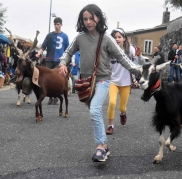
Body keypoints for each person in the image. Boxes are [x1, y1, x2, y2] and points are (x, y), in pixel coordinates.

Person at [58, 4, 140, 162]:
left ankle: (101, 147)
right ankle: (105, 147)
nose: (88, 21)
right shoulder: (79, 37)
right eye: (85, 19)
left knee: (95, 111)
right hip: (86, 82)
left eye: (91, 18)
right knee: (94, 113)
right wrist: (63, 63)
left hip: (103, 79)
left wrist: (137, 71)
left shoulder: (107, 38)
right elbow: (68, 52)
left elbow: (122, 58)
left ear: (99, 17)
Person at [105, 28, 134, 135]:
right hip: (113, 81)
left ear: (124, 39)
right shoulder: (109, 50)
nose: (117, 39)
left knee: (122, 107)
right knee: (112, 102)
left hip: (125, 82)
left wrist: (139, 56)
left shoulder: (130, 50)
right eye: (114, 37)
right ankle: (110, 125)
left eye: (119, 37)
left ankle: (123, 113)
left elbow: (138, 63)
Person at [36, 17, 70, 105]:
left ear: (61, 25)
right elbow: (43, 46)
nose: (56, 26)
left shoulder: (65, 36)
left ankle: (56, 96)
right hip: (49, 60)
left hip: (60, 61)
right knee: (48, 79)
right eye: (55, 24)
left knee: (57, 79)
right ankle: (50, 97)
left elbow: (68, 50)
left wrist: (65, 59)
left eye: (58, 24)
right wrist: (39, 53)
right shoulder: (49, 35)